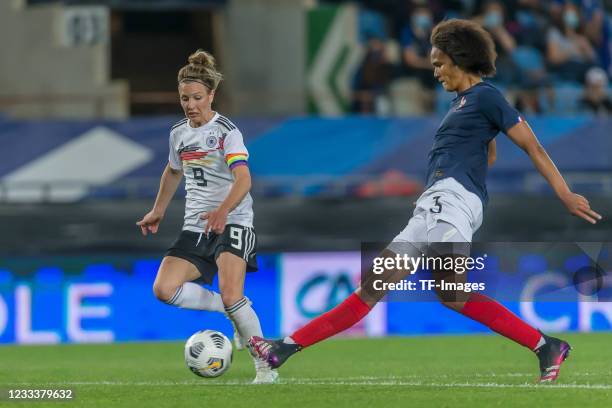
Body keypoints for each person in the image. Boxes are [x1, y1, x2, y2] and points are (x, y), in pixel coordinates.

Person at [249, 19, 602, 383]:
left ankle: (545, 345)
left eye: (438, 63)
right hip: (433, 205)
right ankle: (284, 347)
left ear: (459, 58)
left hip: (453, 200)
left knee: (451, 292)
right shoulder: (462, 104)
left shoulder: (487, 96)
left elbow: (532, 145)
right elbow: (489, 155)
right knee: (387, 286)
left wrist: (563, 192)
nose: (434, 71)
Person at [136, 49, 277, 384]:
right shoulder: (178, 134)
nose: (190, 105)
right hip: (196, 225)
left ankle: (265, 367)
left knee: (231, 293)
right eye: (184, 98)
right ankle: (232, 311)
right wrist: (158, 210)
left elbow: (244, 179)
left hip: (233, 221)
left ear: (211, 95)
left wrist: (223, 210)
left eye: (197, 97)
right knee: (164, 289)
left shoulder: (227, 132)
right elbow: (172, 172)